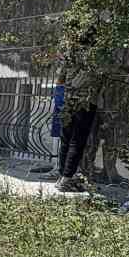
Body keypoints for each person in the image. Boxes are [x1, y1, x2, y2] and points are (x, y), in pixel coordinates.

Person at [56, 62, 99, 192]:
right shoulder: (94, 57)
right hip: (85, 103)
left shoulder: (69, 56)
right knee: (77, 142)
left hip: (68, 102)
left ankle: (62, 177)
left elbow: (60, 80)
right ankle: (66, 179)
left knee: (66, 141)